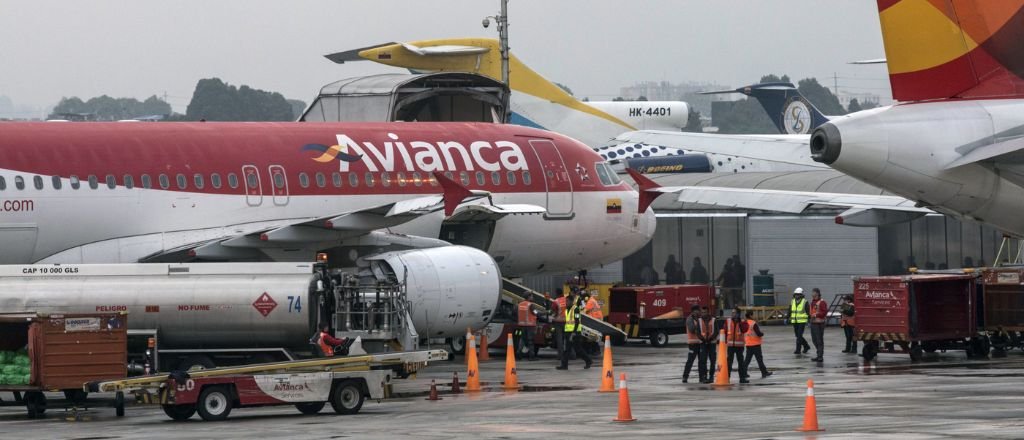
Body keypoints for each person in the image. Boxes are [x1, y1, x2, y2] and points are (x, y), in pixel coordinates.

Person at [557, 290, 593, 370]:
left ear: (572, 301)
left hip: (575, 333)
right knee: (567, 349)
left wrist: (573, 333)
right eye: (566, 301)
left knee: (578, 350)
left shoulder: (576, 309)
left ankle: (588, 360)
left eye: (568, 301)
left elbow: (577, 321)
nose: (566, 302)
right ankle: (564, 365)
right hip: (568, 332)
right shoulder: (567, 309)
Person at [742, 311, 772, 379]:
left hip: (748, 344)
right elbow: (758, 333)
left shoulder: (744, 323)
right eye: (753, 315)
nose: (754, 316)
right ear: (750, 315)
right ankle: (764, 372)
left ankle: (743, 373)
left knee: (747, 360)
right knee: (759, 359)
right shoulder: (753, 323)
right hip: (755, 344)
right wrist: (762, 334)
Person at [682, 305, 707, 383]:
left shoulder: (699, 319)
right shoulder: (689, 319)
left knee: (702, 361)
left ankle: (702, 377)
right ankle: (685, 377)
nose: (699, 312)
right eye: (698, 311)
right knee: (690, 361)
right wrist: (699, 328)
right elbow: (692, 329)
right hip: (693, 344)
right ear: (694, 311)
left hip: (700, 343)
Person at [724, 307, 750, 383]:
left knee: (741, 363)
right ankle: (727, 377)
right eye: (732, 312)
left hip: (739, 346)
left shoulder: (743, 321)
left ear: (738, 314)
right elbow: (724, 331)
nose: (733, 314)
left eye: (734, 313)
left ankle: (742, 378)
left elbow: (744, 330)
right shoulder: (728, 321)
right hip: (730, 346)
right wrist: (725, 341)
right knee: (729, 362)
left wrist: (740, 322)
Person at [788, 287, 811, 354]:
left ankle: (798, 350)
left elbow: (807, 311)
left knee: (799, 335)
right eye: (796, 294)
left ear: (801, 295)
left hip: (802, 321)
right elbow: (790, 310)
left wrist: (809, 320)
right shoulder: (792, 301)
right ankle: (806, 346)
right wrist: (787, 317)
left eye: (798, 294)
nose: (796, 295)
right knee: (797, 336)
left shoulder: (805, 302)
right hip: (795, 321)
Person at [809, 288, 828, 362]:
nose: (812, 294)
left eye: (813, 292)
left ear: (817, 293)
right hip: (813, 323)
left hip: (819, 323)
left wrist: (816, 315)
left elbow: (824, 312)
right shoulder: (812, 302)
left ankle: (820, 356)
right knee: (814, 340)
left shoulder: (822, 302)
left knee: (819, 340)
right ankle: (819, 354)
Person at [702, 306, 720, 379]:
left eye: (705, 312)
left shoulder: (713, 320)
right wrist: (703, 339)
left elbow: (716, 331)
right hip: (703, 343)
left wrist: (710, 338)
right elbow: (698, 331)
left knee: (712, 360)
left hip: (712, 343)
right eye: (702, 312)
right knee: (703, 361)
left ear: (708, 312)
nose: (703, 314)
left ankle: (711, 376)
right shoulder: (700, 320)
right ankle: (704, 376)